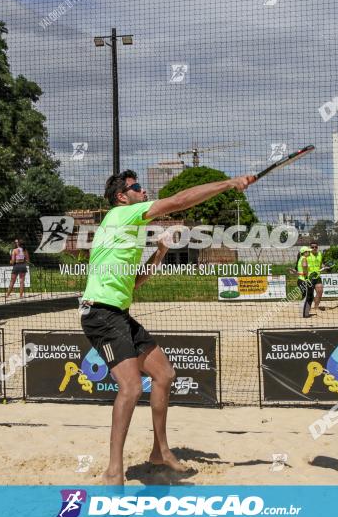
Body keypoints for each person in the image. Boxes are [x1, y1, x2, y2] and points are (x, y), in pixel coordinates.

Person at [80, 169, 256, 485]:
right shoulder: (123, 214)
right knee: (131, 387)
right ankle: (112, 471)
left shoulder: (127, 231)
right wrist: (229, 184)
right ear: (122, 196)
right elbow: (177, 201)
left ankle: (160, 452)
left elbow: (135, 283)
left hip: (118, 312)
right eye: (136, 187)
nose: (143, 189)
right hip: (100, 314)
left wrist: (160, 251)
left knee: (164, 374)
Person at [289, 246, 315, 318]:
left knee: (308, 297)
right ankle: (304, 313)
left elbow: (301, 271)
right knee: (307, 297)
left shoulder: (300, 258)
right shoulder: (304, 259)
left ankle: (305, 312)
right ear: (305, 252)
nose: (309, 252)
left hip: (301, 280)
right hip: (304, 280)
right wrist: (309, 273)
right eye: (308, 251)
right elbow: (304, 271)